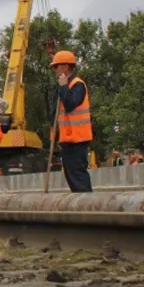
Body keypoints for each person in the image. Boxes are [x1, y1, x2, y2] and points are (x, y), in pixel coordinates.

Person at [50, 50, 94, 192]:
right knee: (70, 175)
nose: (55, 70)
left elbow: (70, 104)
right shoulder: (63, 88)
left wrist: (63, 87)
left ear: (65, 67)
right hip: (67, 139)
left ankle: (86, 204)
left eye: (56, 67)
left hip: (78, 138)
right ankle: (79, 203)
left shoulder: (77, 85)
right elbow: (55, 113)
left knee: (78, 174)